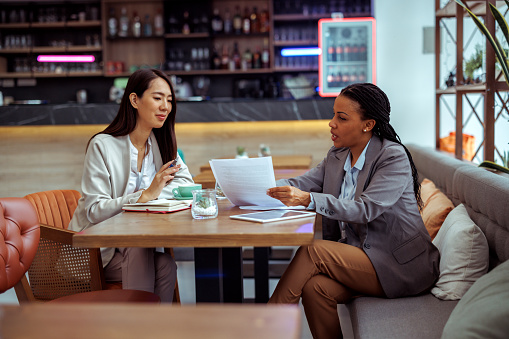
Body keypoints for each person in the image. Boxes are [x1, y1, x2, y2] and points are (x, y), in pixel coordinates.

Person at [266, 83, 440, 338]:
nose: (331, 123)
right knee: (315, 288)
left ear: (367, 124)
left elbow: (365, 209)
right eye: (333, 114)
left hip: (401, 266)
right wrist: (254, 186)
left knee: (312, 251)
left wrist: (308, 200)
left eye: (341, 117)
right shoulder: (338, 156)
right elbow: (300, 184)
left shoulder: (392, 157)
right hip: (362, 256)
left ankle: (268, 326)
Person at [69, 68, 194, 302]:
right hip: (97, 253)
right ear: (135, 100)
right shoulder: (102, 146)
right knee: (138, 246)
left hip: (135, 244)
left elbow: (186, 184)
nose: (165, 107)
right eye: (157, 98)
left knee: (165, 265)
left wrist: (153, 194)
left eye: (169, 100)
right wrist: (144, 196)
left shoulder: (161, 144)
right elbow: (95, 210)